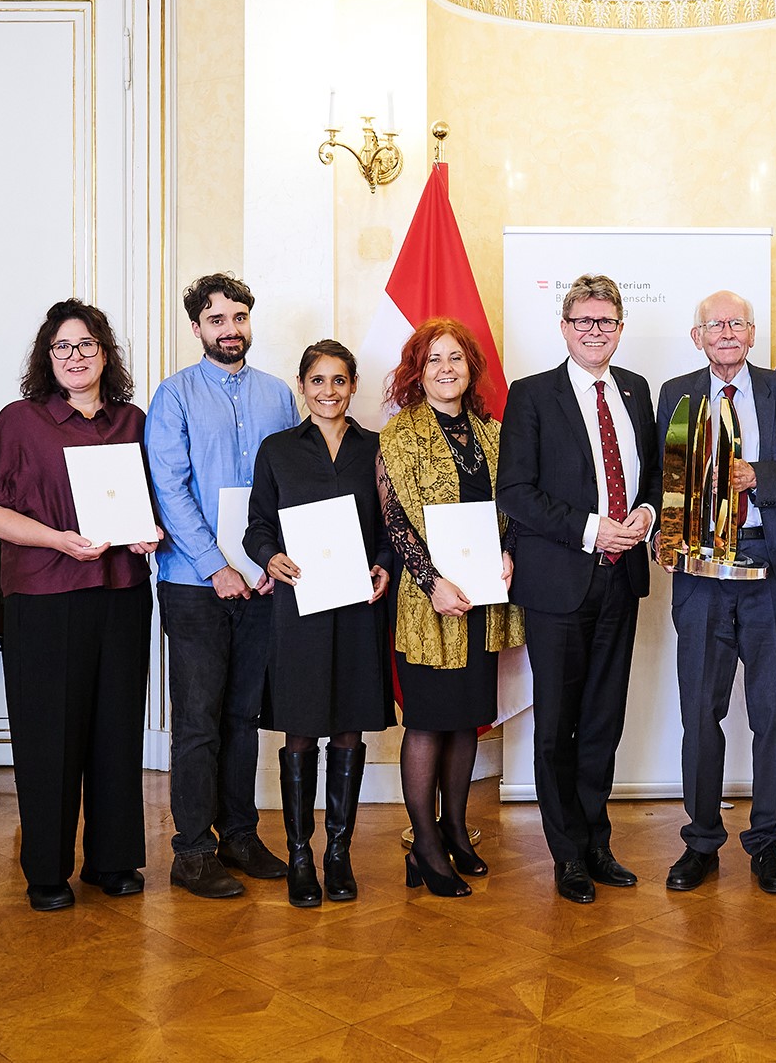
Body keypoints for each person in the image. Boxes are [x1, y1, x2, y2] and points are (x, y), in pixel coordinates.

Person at [0, 299, 163, 911]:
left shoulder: (133, 420)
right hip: (44, 597)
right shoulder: (19, 421)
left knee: (116, 728)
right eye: (63, 348)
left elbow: (150, 501)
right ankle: (47, 870)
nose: (75, 357)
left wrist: (147, 532)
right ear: (47, 358)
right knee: (48, 735)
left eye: (86, 346)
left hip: (122, 594)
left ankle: (113, 861)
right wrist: (57, 539)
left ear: (105, 354)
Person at [497, 273, 662, 905]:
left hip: (621, 583)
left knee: (603, 721)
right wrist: (594, 530)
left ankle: (597, 841)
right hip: (558, 584)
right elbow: (515, 491)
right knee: (557, 724)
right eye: (585, 322)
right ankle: (566, 854)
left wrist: (644, 517)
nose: (597, 332)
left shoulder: (636, 390)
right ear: (565, 328)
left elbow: (647, 479)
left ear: (621, 328)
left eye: (608, 322)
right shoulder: (532, 395)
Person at [654, 290, 776, 895]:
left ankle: (767, 844)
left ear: (752, 333)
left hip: (769, 571)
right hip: (698, 575)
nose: (726, 332)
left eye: (736, 323)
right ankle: (700, 842)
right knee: (700, 711)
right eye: (714, 324)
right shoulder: (676, 393)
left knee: (773, 714)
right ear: (697, 336)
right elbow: (662, 472)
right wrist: (664, 538)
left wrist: (757, 476)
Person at [146, 273, 297, 899]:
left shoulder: (279, 395)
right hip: (193, 583)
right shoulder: (174, 396)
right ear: (197, 328)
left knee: (243, 715)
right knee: (200, 722)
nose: (230, 330)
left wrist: (271, 563)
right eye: (217, 320)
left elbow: (292, 482)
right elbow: (169, 491)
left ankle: (239, 834)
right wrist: (217, 565)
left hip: (262, 584)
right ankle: (192, 851)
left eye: (239, 318)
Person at [379, 319, 527, 899]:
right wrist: (432, 581)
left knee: (466, 720)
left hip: (483, 599)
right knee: (428, 723)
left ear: (471, 369)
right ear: (419, 370)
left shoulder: (494, 433)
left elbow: (510, 509)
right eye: (434, 359)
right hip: (429, 601)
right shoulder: (400, 435)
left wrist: (510, 556)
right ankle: (425, 844)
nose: (447, 369)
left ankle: (457, 832)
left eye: (457, 359)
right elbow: (396, 521)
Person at [245, 340, 394, 908]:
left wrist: (385, 564)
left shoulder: (377, 450)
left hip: (358, 606)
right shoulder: (277, 450)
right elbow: (257, 525)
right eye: (317, 381)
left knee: (349, 726)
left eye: (339, 381)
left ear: (353, 386)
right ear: (302, 386)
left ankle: (339, 853)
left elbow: (391, 526)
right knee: (302, 726)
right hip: (299, 607)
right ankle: (300, 855)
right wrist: (268, 557)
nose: (328, 392)